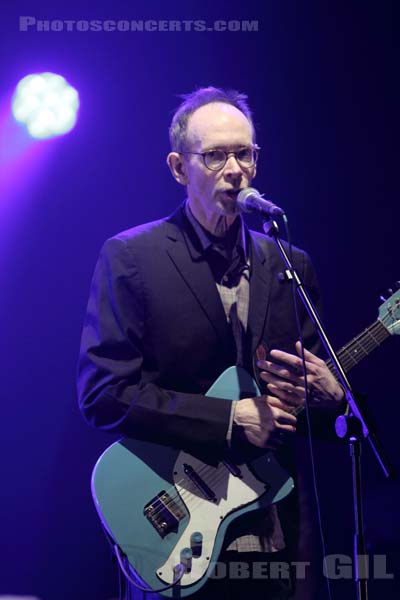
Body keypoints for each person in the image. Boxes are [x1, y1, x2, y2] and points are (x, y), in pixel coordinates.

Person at [77, 87, 345, 600]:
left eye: (245, 153)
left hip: (274, 524)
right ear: (180, 168)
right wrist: (227, 419)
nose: (234, 168)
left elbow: (311, 402)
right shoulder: (132, 257)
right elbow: (103, 394)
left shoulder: (290, 265)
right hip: (175, 515)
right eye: (216, 155)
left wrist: (332, 397)